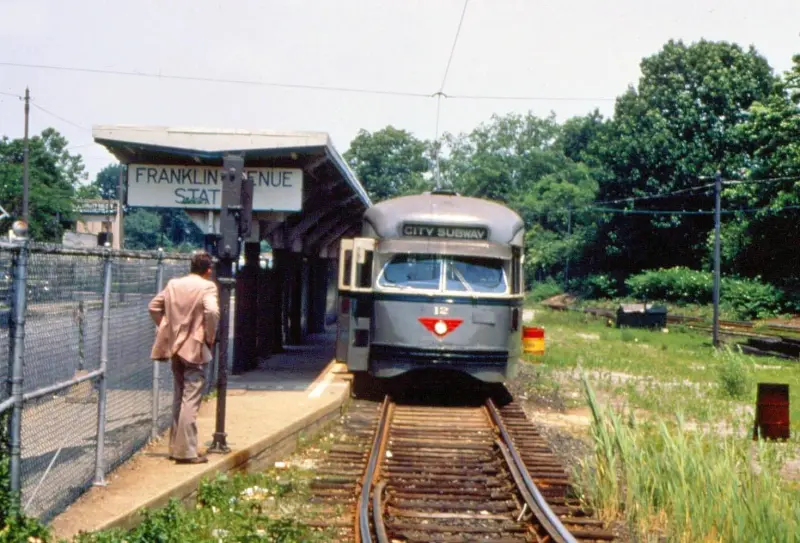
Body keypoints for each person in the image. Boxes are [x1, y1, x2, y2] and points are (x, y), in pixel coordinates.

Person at [149, 250, 219, 464]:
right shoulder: (207, 286)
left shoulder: (173, 284)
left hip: (174, 348)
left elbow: (153, 306)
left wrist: (166, 328)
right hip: (195, 348)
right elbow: (212, 312)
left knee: (179, 396)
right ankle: (187, 452)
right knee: (191, 398)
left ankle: (175, 448)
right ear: (208, 270)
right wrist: (209, 336)